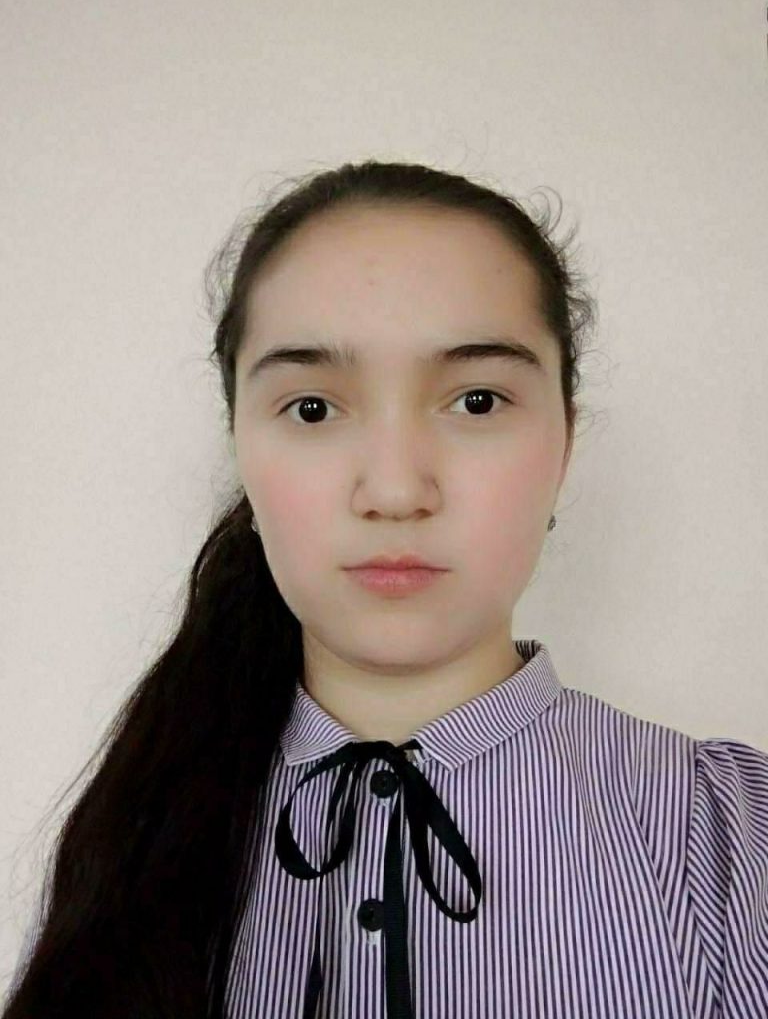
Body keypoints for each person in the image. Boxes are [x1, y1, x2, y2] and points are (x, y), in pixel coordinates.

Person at [4, 161, 767, 1019]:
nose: (397, 490)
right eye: (314, 409)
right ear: (241, 451)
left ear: (564, 442)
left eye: (477, 400)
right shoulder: (134, 848)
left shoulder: (731, 832)